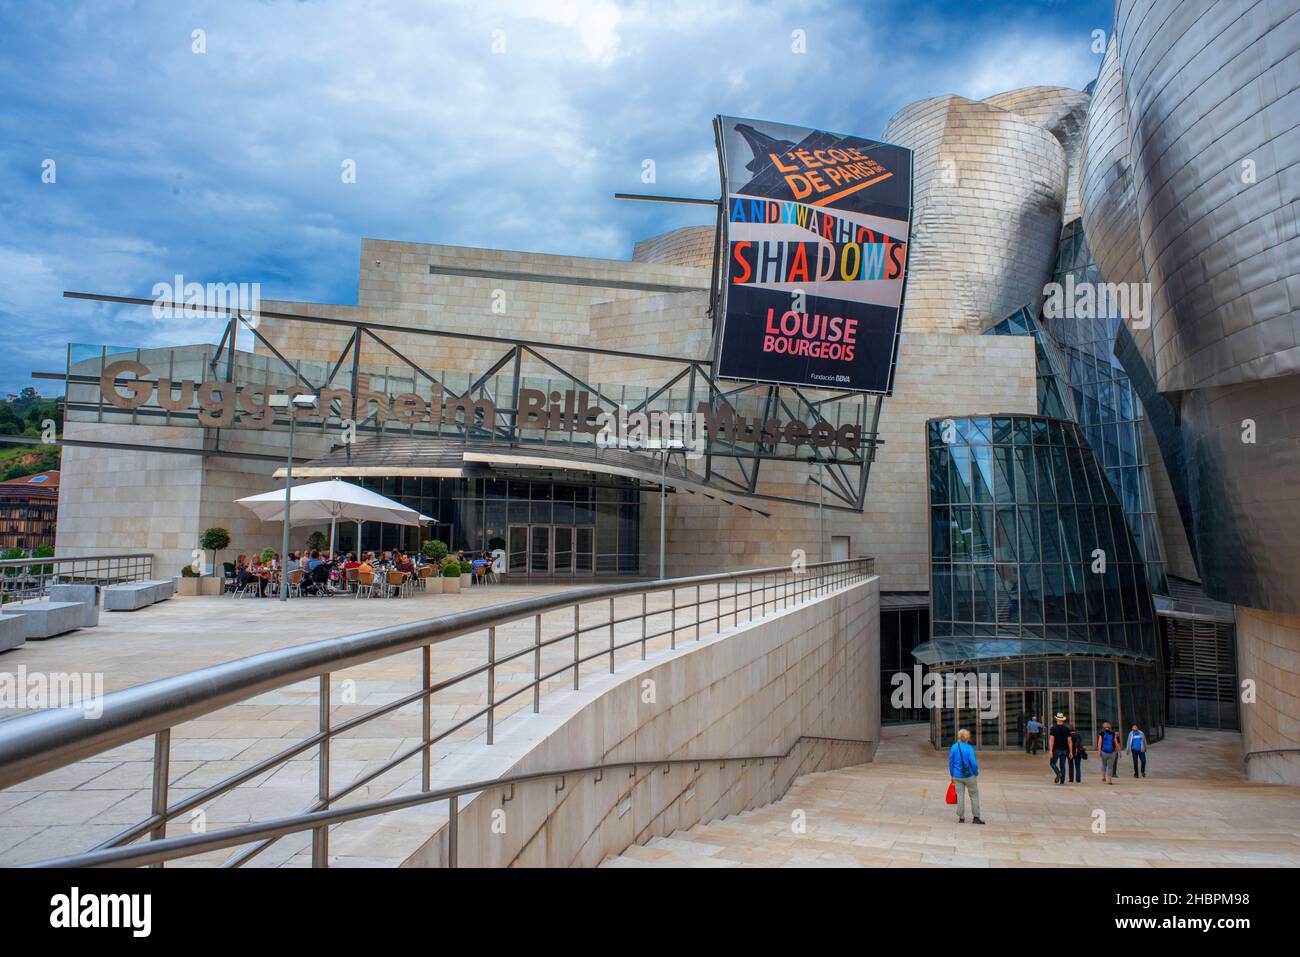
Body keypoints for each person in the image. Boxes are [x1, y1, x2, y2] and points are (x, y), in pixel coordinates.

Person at [947, 729, 984, 825]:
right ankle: (976, 817)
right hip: (969, 775)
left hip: (957, 776)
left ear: (959, 737)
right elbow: (973, 763)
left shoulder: (954, 747)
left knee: (960, 796)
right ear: (968, 738)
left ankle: (961, 817)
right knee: (974, 796)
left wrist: (952, 774)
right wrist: (976, 773)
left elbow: (951, 763)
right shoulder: (969, 748)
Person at [1048, 712, 1072, 784]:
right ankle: (1062, 781)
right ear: (1063, 720)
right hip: (1064, 749)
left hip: (1056, 749)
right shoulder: (1067, 729)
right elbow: (1069, 741)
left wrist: (1051, 750)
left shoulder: (1053, 728)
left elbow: (1052, 740)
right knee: (1063, 766)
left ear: (1057, 719)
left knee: (1052, 763)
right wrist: (1070, 751)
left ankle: (1058, 773)